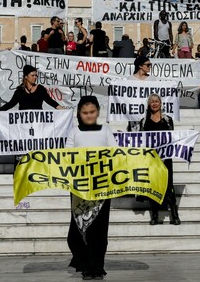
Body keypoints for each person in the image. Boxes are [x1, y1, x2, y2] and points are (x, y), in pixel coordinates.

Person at [66, 95, 117, 280]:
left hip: (103, 186)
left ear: (98, 112)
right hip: (79, 187)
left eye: (92, 112)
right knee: (78, 230)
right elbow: (67, 157)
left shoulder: (105, 130)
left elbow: (115, 153)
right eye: (85, 112)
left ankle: (96, 267)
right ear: (79, 113)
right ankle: (84, 263)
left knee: (99, 229)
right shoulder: (74, 132)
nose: (89, 115)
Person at [129, 94, 180, 225]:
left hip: (165, 158)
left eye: (156, 101)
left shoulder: (168, 120)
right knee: (153, 185)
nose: (154, 103)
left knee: (169, 185)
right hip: (151, 159)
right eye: (152, 101)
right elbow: (139, 139)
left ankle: (174, 215)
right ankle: (155, 215)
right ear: (148, 104)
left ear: (161, 103)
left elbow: (172, 137)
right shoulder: (143, 121)